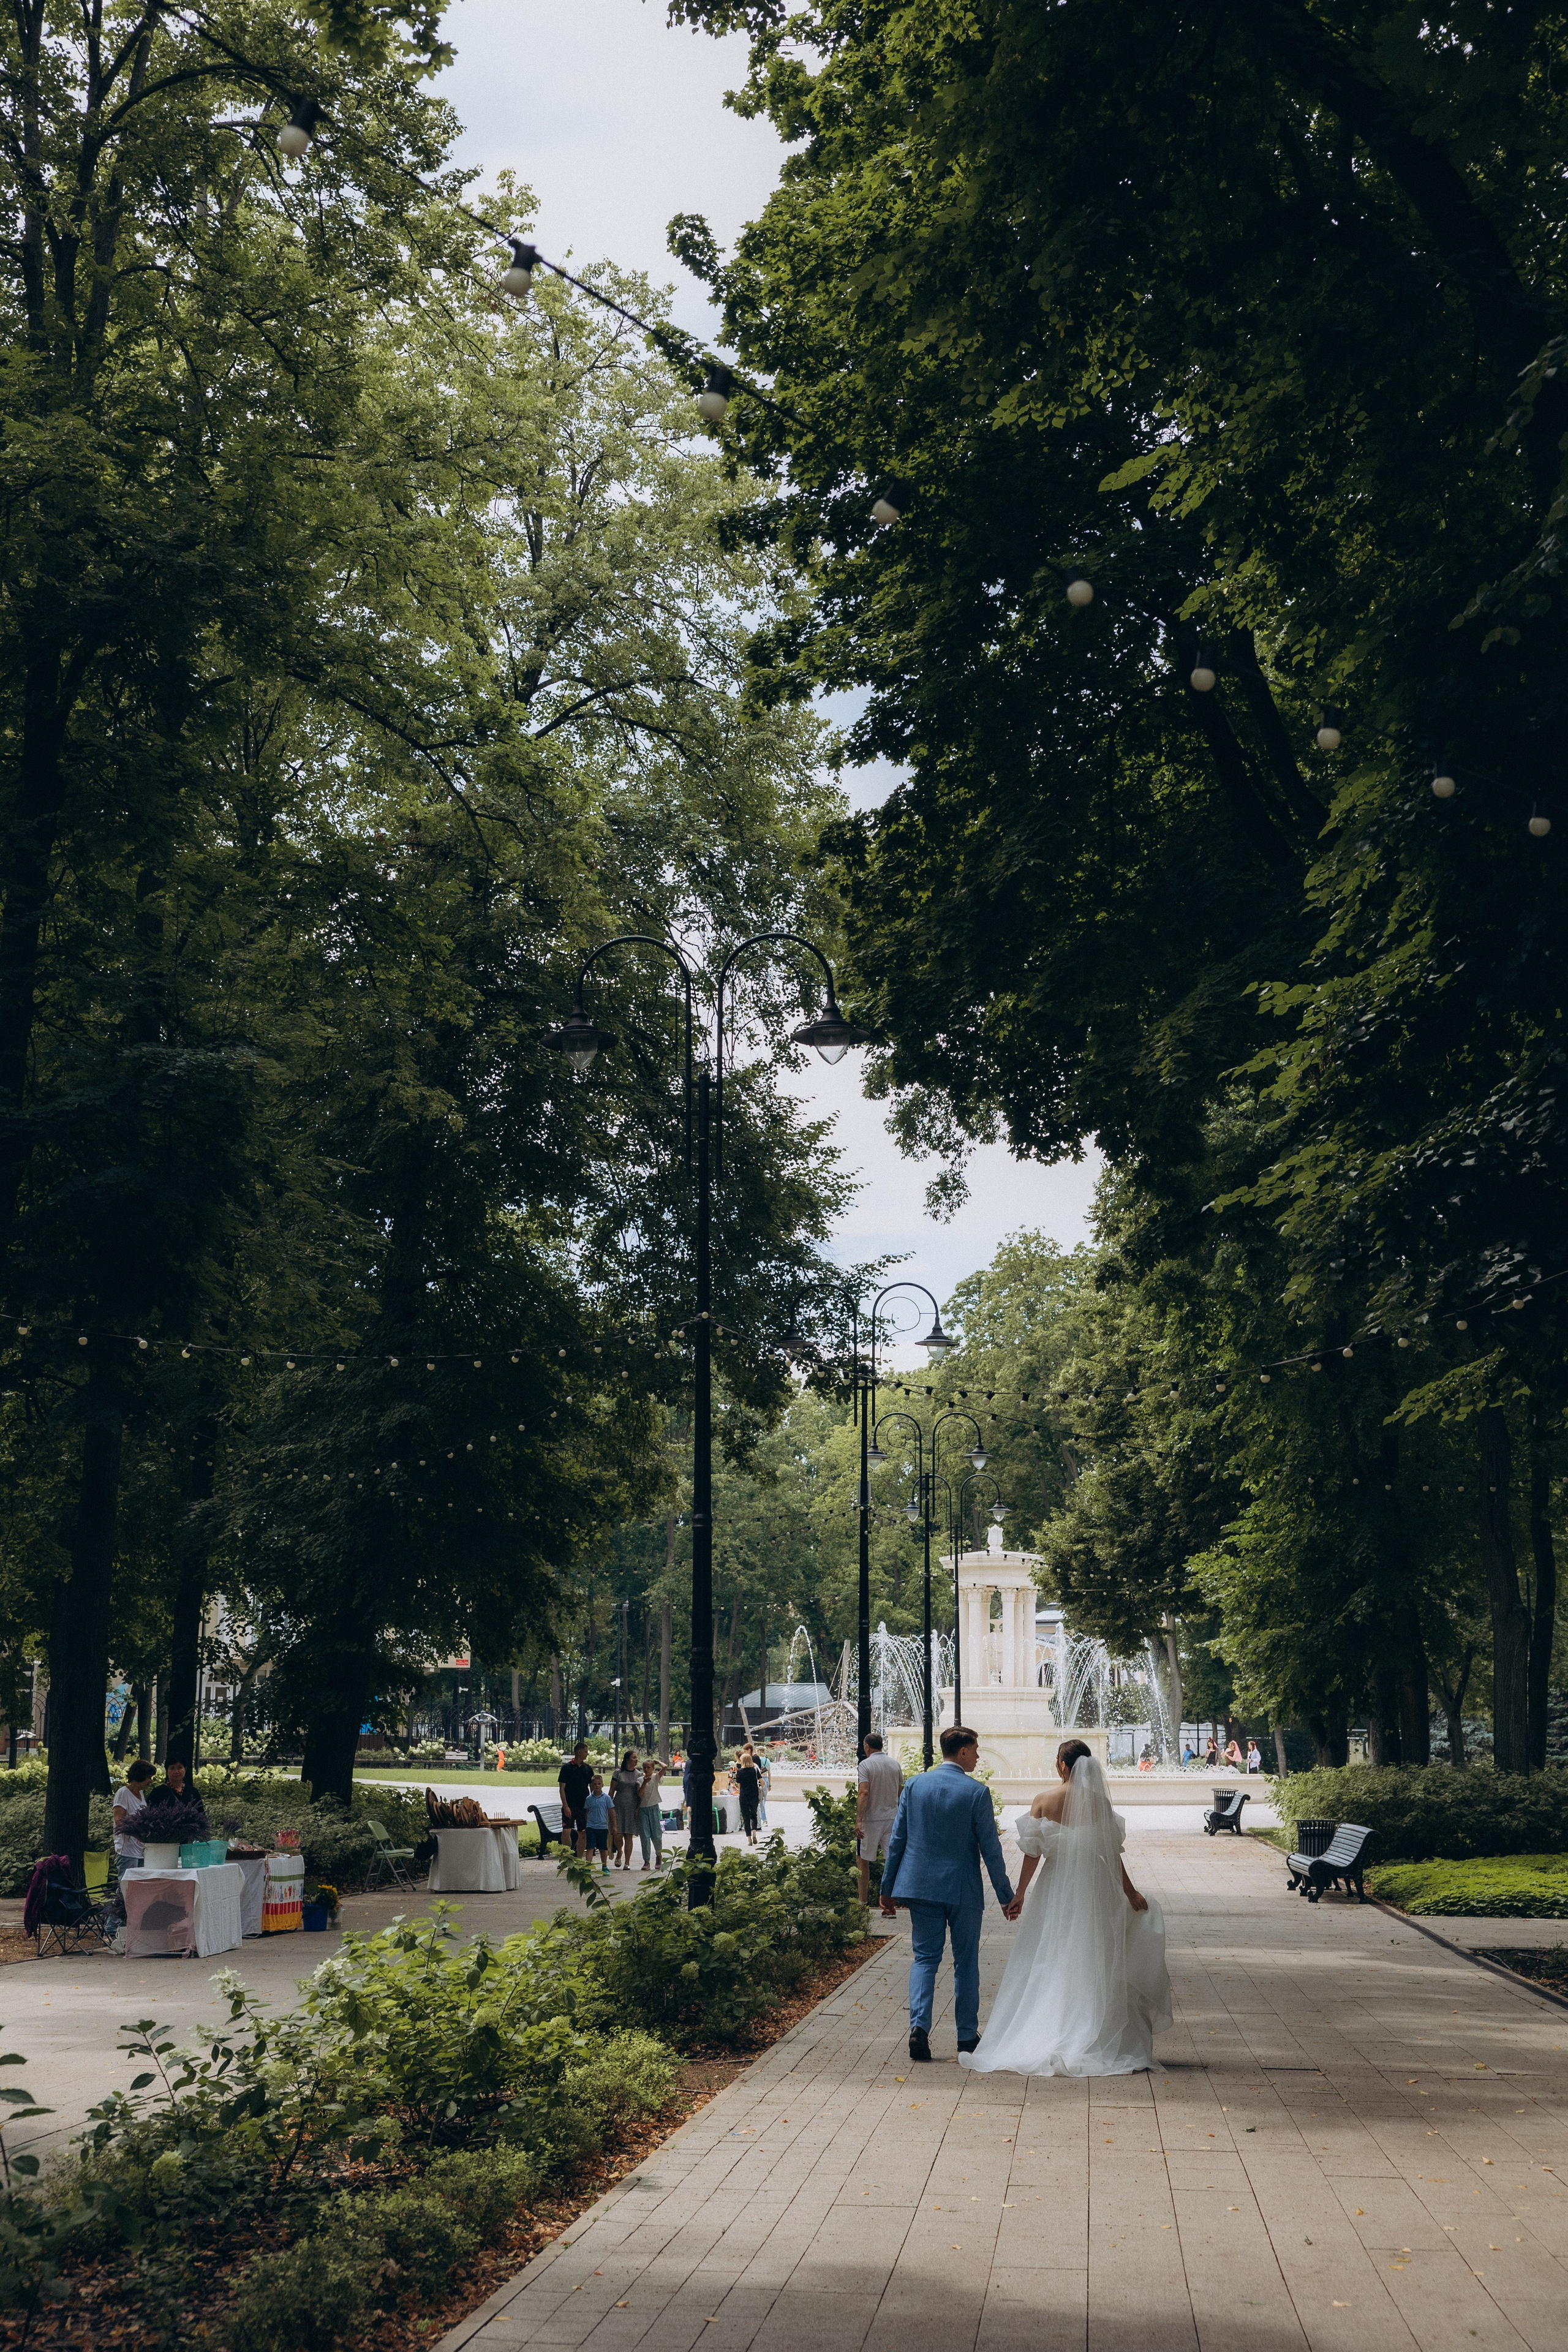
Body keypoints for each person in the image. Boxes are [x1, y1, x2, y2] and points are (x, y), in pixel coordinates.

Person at [960, 1740, 1172, 2079]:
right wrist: (1130, 1893)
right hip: (1096, 1887)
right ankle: (1095, 2029)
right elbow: (1111, 1854)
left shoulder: (1044, 1801)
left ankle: (1045, 2025)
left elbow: (1032, 1854)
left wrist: (1020, 1893)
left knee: (1049, 1952)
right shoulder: (1099, 1802)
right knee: (1094, 1954)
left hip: (1055, 1887)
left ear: (1062, 1765)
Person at [879, 1724, 1014, 2064]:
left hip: (920, 1887)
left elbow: (898, 1841)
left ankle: (919, 2030)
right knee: (966, 1963)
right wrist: (1005, 1894)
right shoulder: (976, 1793)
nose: (979, 1756)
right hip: (962, 1889)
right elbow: (991, 1849)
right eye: (976, 1749)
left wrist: (887, 1888)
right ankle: (966, 2037)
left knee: (925, 1959)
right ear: (963, 1751)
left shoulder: (914, 1785)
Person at [856, 1732, 904, 1904]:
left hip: (870, 1820)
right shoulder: (895, 1764)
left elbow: (864, 1792)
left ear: (867, 1747)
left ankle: (863, 1901)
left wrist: (859, 1820)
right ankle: (890, 1902)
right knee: (891, 1861)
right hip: (892, 1819)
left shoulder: (865, 1765)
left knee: (863, 1860)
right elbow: (901, 1793)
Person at [558, 1740, 592, 1858]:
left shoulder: (588, 1769)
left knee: (583, 1832)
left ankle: (579, 1858)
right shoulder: (567, 1768)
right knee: (566, 1830)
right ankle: (567, 1857)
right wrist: (566, 1806)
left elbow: (592, 1788)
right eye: (586, 1752)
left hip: (584, 1805)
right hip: (570, 1804)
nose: (587, 1754)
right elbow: (562, 1788)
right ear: (579, 1752)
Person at [610, 1751, 641, 1868]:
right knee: (617, 1834)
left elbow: (640, 1794)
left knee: (629, 1835)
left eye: (636, 1757)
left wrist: (638, 1808)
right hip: (618, 1806)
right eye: (634, 1758)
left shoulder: (639, 1775)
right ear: (628, 1760)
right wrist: (608, 1805)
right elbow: (612, 1790)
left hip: (632, 1807)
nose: (636, 1760)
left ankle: (627, 1862)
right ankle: (619, 1851)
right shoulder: (618, 1773)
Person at [636, 1757, 665, 1871]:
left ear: (653, 1769)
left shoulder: (656, 1778)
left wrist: (658, 1762)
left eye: (649, 1767)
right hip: (643, 1809)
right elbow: (640, 1795)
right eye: (645, 1768)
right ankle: (646, 1861)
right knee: (645, 1836)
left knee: (657, 1834)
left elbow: (665, 1768)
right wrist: (644, 1783)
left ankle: (659, 1856)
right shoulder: (639, 1780)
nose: (647, 1769)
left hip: (654, 1808)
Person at [733, 1744, 763, 1845]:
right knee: (754, 1815)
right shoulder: (755, 1770)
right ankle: (754, 1833)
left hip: (744, 1796)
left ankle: (749, 1840)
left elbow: (739, 1785)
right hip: (754, 1795)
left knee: (746, 1817)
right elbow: (762, 1782)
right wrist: (760, 1787)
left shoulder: (740, 1772)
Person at [583, 1774, 612, 1873]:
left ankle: (604, 1866)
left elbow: (612, 1811)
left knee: (603, 1848)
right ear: (591, 1786)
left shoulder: (607, 1798)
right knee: (590, 1847)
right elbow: (587, 1812)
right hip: (591, 1827)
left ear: (603, 1785)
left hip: (603, 1827)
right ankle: (588, 1866)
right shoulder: (589, 1799)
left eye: (599, 1784)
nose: (597, 1786)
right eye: (595, 1784)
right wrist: (586, 1825)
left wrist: (615, 1826)